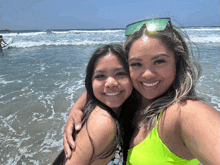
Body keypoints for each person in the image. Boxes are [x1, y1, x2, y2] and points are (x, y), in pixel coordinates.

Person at [63, 18, 220, 165]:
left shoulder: (186, 113)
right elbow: (105, 86)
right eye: (136, 64)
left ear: (177, 63)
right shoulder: (130, 104)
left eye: (159, 61)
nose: (147, 74)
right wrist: (77, 108)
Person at [53, 44, 138, 165]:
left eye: (120, 74)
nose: (110, 83)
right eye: (100, 76)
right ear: (90, 83)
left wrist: (76, 107)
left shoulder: (120, 111)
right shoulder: (103, 122)